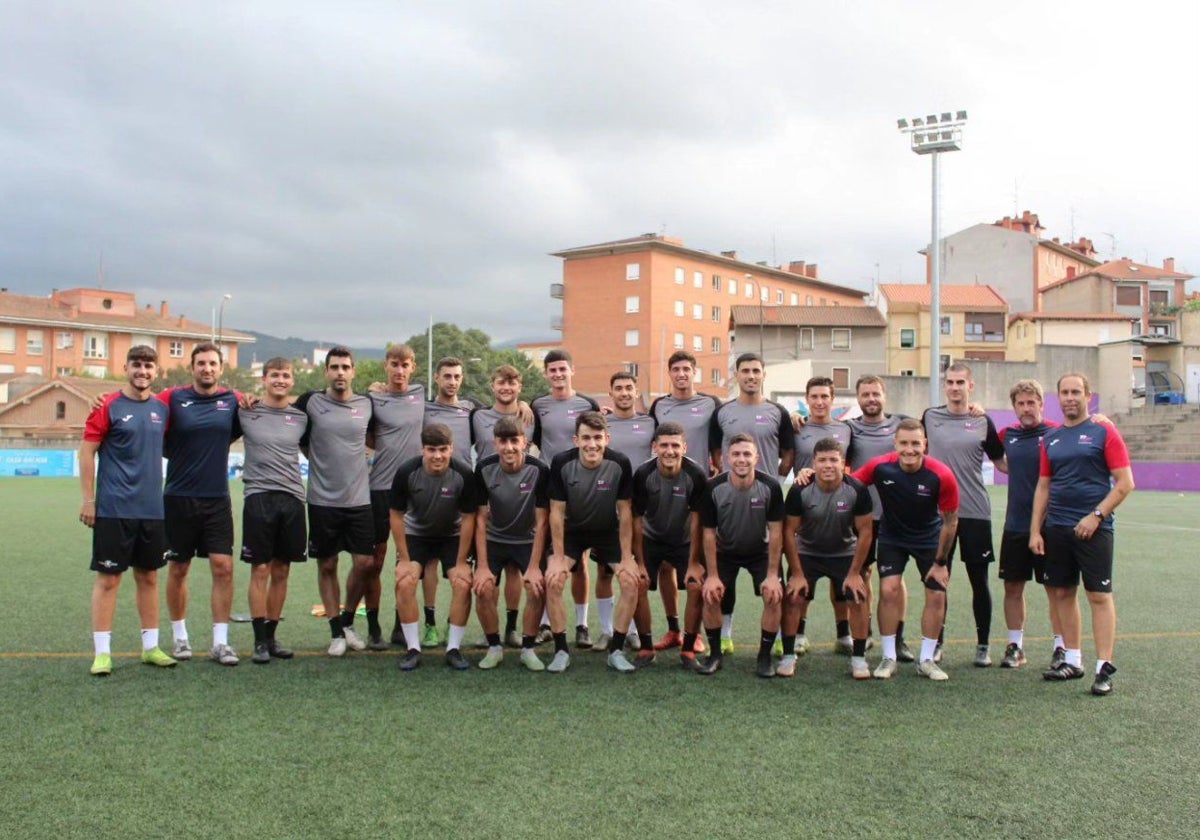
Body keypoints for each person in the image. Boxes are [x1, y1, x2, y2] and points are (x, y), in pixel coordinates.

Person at [1030, 372, 1134, 696]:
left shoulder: (1104, 432)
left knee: (1098, 596)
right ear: (1057, 398)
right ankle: (1073, 660)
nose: (1070, 397)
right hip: (1057, 528)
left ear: (1088, 396)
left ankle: (1104, 667)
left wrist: (1096, 516)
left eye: (1076, 391)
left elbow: (1125, 483)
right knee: (1061, 593)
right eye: (1065, 392)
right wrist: (1036, 529)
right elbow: (1044, 486)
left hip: (1095, 529)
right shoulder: (1051, 439)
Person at [79, 345, 176, 675]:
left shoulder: (162, 407)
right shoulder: (107, 405)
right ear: (126, 368)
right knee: (109, 580)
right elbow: (86, 452)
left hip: (152, 509)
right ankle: (102, 653)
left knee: (148, 577)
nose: (143, 371)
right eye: (137, 365)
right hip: (114, 508)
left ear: (156, 372)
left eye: (149, 366)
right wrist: (88, 500)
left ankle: (151, 647)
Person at [852, 419, 959, 681]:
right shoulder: (880, 467)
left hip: (929, 539)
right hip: (893, 537)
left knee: (936, 596)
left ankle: (926, 659)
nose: (909, 449)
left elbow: (951, 521)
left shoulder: (941, 474)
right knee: (888, 590)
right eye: (904, 443)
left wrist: (941, 562)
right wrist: (809, 476)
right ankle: (889, 657)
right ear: (895, 444)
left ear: (925, 444)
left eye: (915, 444)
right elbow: (849, 484)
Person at [157, 342, 242, 666]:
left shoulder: (232, 401)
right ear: (191, 368)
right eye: (201, 363)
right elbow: (142, 410)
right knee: (179, 568)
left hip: (216, 499)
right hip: (178, 498)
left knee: (224, 567)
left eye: (212, 364)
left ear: (221, 369)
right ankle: (180, 638)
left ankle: (220, 643)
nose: (207, 368)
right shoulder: (173, 398)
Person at [709, 352, 795, 653]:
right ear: (737, 375)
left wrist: (776, 476)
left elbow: (788, 451)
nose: (751, 376)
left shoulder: (778, 412)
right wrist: (724, 474)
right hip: (730, 497)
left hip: (766, 498)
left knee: (774, 570)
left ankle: (782, 640)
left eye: (756, 370)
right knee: (724, 574)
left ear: (763, 375)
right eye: (745, 371)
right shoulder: (722, 412)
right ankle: (725, 636)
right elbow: (716, 452)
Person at [922, 363, 1005, 667]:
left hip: (974, 513)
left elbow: (1003, 462)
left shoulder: (983, 421)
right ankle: (937, 643)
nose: (954, 387)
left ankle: (983, 645)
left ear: (971, 387)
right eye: (949, 382)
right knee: (938, 578)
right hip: (938, 515)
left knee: (979, 581)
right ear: (945, 386)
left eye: (960, 382)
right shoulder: (930, 417)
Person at [295, 346, 375, 657]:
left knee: (364, 563)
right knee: (327, 563)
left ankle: (348, 620)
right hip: (321, 500)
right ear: (326, 372)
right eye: (334, 367)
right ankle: (335, 632)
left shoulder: (367, 404)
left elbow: (379, 436)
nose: (340, 372)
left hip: (359, 499)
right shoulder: (311, 402)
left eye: (345, 367)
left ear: (353, 371)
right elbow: (294, 432)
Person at [545, 411, 636, 673]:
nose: (592, 444)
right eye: (586, 438)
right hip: (573, 532)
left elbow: (626, 512)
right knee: (554, 580)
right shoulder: (562, 463)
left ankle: (616, 650)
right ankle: (561, 650)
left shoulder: (620, 463)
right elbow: (556, 512)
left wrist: (628, 557)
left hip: (608, 531)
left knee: (631, 582)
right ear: (576, 440)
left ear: (607, 438)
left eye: (597, 438)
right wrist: (559, 557)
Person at [693, 434, 785, 678]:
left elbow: (776, 532)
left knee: (774, 595)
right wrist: (712, 575)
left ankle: (764, 656)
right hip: (725, 552)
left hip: (760, 552)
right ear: (725, 459)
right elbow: (709, 534)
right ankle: (715, 655)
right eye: (736, 454)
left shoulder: (771, 487)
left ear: (757, 457)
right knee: (711, 595)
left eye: (747, 454)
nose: (741, 459)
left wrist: (774, 574)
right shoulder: (713, 488)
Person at [646, 350, 720, 654]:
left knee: (697, 566)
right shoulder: (659, 405)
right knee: (665, 566)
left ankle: (695, 633)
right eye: (675, 369)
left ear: (694, 372)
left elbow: (721, 440)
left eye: (686, 369)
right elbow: (647, 438)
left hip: (698, 489)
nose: (681, 374)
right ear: (670, 373)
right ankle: (674, 629)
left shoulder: (711, 404)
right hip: (664, 491)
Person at [782, 437, 874, 679]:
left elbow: (865, 532)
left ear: (843, 463)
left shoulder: (857, 490)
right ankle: (788, 655)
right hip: (807, 553)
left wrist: (855, 573)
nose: (828, 465)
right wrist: (797, 573)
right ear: (814, 462)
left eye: (833, 460)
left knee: (859, 595)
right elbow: (788, 532)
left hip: (844, 553)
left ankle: (859, 658)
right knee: (792, 596)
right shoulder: (800, 490)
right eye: (822, 460)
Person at [390, 424, 477, 671]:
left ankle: (453, 649)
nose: (437, 455)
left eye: (442, 449)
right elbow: (396, 515)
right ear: (422, 450)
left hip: (452, 536)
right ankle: (413, 649)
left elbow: (469, 518)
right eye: (431, 450)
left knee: (462, 583)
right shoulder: (407, 471)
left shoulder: (463, 474)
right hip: (416, 534)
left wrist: (461, 562)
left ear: (452, 448)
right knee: (405, 581)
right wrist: (404, 559)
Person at [238, 358, 307, 663]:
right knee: (261, 569)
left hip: (292, 498)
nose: (280, 380)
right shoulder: (245, 411)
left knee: (282, 570)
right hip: (259, 497)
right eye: (275, 375)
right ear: (264, 379)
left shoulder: (301, 417)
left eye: (286, 375)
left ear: (293, 381)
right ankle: (258, 642)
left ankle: (272, 636)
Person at [531, 349, 600, 647]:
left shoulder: (587, 404)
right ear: (546, 374)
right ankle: (547, 622)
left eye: (563, 369)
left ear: (572, 370)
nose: (558, 374)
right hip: (550, 488)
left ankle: (582, 624)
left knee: (580, 560)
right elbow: (534, 439)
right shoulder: (537, 406)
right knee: (552, 556)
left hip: (582, 488)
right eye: (552, 370)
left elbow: (598, 437)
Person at [473, 416, 550, 671]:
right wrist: (482, 565)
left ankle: (528, 648)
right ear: (495, 444)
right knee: (483, 588)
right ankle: (494, 646)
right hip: (494, 539)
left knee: (536, 587)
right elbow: (480, 520)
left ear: (524, 442)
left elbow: (542, 521)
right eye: (503, 442)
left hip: (527, 540)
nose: (509, 448)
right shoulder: (484, 469)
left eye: (514, 441)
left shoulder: (539, 470)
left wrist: (535, 566)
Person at [996, 379, 1063, 669]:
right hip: (1015, 525)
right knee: (1013, 587)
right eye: (1021, 403)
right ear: (1014, 407)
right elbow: (998, 459)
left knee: (1056, 589)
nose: (1026, 408)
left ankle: (1061, 647)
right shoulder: (1006, 434)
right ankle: (1015, 646)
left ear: (1041, 404)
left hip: (1052, 526)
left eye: (1031, 402)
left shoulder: (1057, 433)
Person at [631, 422, 709, 667]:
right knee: (638, 583)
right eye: (664, 445)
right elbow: (635, 520)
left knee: (696, 585)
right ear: (654, 447)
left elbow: (697, 522)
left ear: (684, 447)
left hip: (684, 540)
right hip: (651, 538)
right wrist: (640, 563)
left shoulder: (695, 475)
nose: (669, 451)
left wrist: (695, 562)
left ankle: (687, 650)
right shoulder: (643, 474)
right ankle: (646, 648)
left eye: (675, 445)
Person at [845, 375, 911, 661]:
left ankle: (899, 637)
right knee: (863, 573)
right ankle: (867, 631)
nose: (871, 399)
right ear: (858, 398)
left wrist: (977, 409)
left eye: (876, 394)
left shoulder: (902, 424)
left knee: (895, 579)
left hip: (896, 515)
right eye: (865, 394)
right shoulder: (850, 429)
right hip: (862, 515)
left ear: (885, 396)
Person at [470, 364, 537, 647]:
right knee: (488, 578)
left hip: (520, 504)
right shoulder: (477, 415)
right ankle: (492, 634)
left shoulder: (530, 416)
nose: (506, 388)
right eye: (501, 383)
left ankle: (511, 628)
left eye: (512, 383)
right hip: (487, 493)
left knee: (513, 572)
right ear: (492, 385)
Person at [365, 344, 425, 649]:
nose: (399, 370)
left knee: (409, 561)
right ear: (385, 366)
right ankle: (372, 626)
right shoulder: (372, 398)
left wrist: (520, 404)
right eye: (394, 364)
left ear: (413, 367)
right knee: (375, 561)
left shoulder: (421, 394)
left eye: (405, 365)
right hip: (380, 489)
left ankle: (403, 626)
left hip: (414, 491)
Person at [790, 376, 855, 656]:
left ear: (832, 400)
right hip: (806, 509)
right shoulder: (795, 427)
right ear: (807, 400)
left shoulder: (847, 429)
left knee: (842, 576)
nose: (819, 402)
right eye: (814, 397)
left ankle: (844, 634)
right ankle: (800, 633)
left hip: (841, 507)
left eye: (824, 397)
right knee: (805, 573)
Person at [592, 370, 655, 651]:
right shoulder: (603, 424)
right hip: (608, 505)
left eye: (629, 387)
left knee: (635, 569)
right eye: (619, 388)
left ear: (636, 391)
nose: (624, 393)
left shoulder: (651, 422)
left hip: (641, 507)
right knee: (605, 572)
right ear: (611, 393)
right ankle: (606, 630)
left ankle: (628, 629)